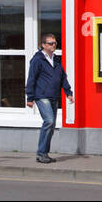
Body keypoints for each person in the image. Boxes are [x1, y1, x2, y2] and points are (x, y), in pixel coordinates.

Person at [24, 34, 73, 164]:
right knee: (49, 121)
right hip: (42, 96)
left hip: (53, 96)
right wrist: (30, 97)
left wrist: (68, 92)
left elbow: (62, 76)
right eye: (51, 43)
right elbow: (31, 78)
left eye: (55, 43)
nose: (54, 45)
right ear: (43, 45)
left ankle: (44, 153)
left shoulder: (56, 59)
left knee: (51, 126)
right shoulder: (37, 60)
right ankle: (40, 154)